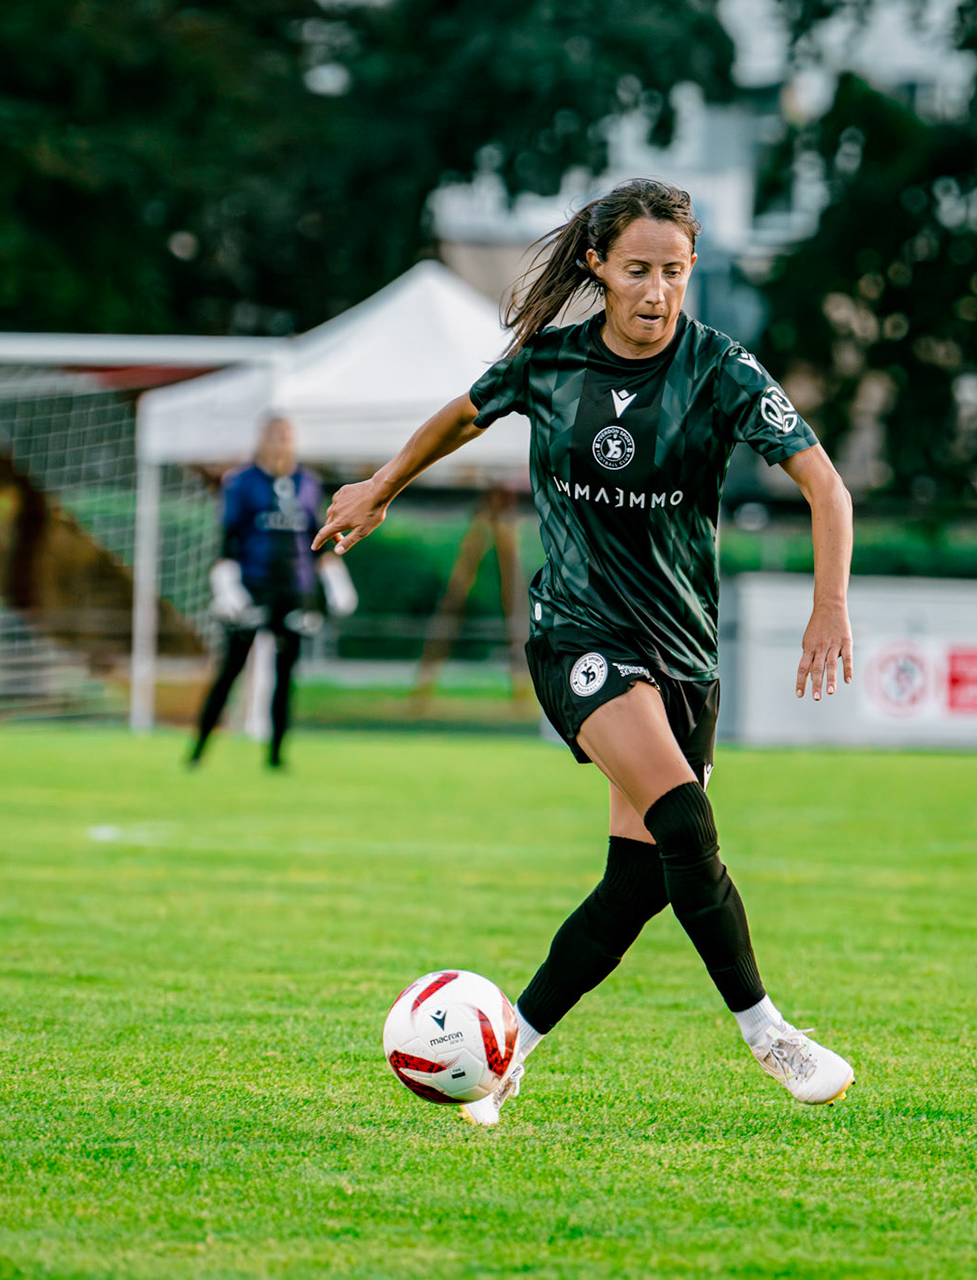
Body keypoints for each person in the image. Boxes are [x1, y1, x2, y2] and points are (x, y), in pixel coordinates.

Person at [314, 179, 857, 1124]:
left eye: (676, 272)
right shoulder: (552, 362)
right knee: (685, 823)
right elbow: (462, 414)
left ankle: (504, 1053)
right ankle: (769, 1033)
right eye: (640, 270)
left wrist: (830, 605)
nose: (657, 291)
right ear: (600, 267)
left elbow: (826, 486)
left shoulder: (720, 370)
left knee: (638, 882)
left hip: (684, 656)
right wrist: (384, 484)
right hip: (579, 637)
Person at [189, 415, 329, 769]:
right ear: (262, 440)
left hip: (293, 592)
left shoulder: (307, 483)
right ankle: (198, 750)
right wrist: (227, 584)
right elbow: (228, 538)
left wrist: (329, 584)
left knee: (285, 677)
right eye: (274, 437)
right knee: (230, 671)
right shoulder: (242, 482)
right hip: (252, 588)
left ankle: (276, 755)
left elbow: (318, 540)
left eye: (286, 438)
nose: (280, 444)